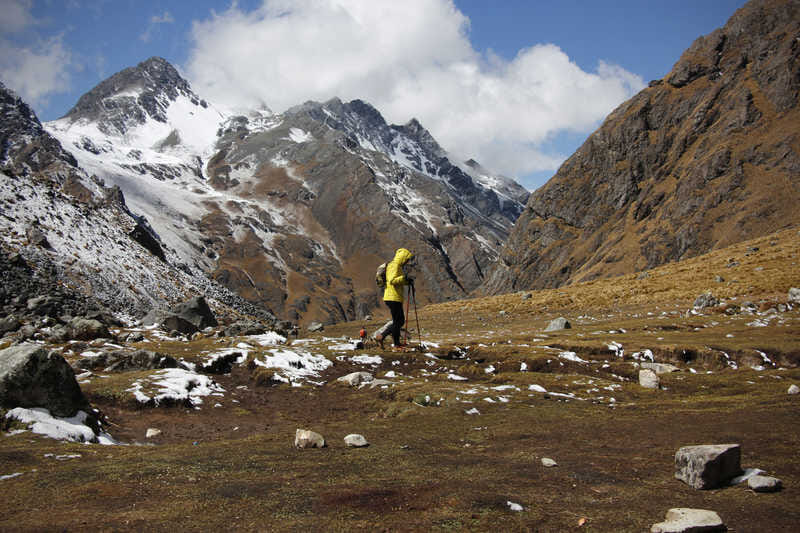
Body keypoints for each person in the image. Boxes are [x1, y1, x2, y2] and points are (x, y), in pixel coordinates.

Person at [378, 248, 415, 350]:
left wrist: (407, 282)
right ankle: (385, 337)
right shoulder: (395, 266)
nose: (407, 262)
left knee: (398, 321)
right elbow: (392, 281)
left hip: (393, 297)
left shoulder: (394, 266)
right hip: (393, 297)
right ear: (402, 258)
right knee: (399, 321)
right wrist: (404, 279)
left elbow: (396, 281)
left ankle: (394, 341)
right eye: (406, 259)